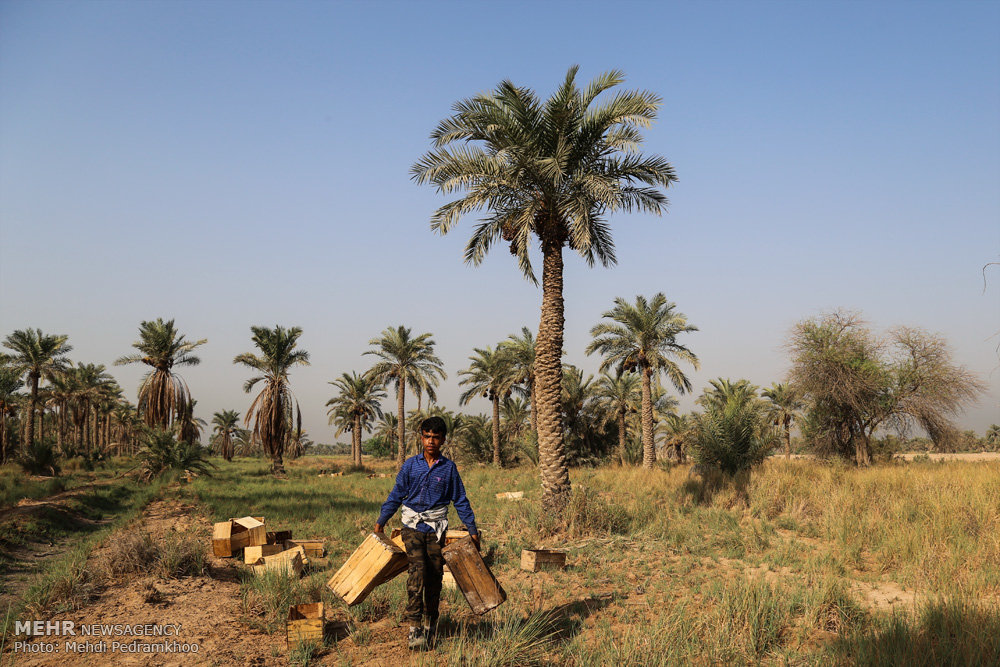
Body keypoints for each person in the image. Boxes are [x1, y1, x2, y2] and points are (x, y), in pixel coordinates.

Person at [374, 416, 480, 650]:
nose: (431, 441)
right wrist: (381, 521)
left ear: (443, 440)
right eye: (427, 436)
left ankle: (431, 624)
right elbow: (396, 495)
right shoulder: (411, 466)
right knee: (417, 572)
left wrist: (472, 530)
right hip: (411, 527)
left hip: (436, 529)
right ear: (421, 437)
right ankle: (414, 628)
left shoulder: (449, 468)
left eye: (436, 437)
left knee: (434, 576)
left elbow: (460, 500)